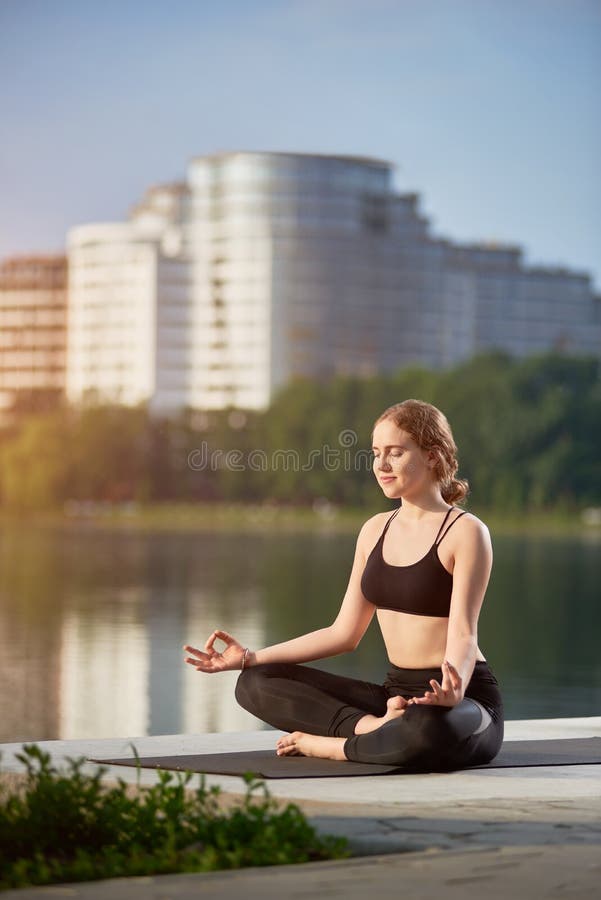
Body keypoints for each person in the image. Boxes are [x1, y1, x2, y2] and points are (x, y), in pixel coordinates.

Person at [183, 399, 503, 771]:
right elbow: (344, 633)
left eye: (396, 453)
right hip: (393, 697)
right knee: (254, 683)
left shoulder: (465, 532)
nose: (381, 465)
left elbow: (464, 631)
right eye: (376, 453)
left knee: (426, 729)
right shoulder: (374, 531)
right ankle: (374, 729)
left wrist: (454, 689)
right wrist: (250, 657)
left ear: (432, 456)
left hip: (464, 699)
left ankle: (331, 746)